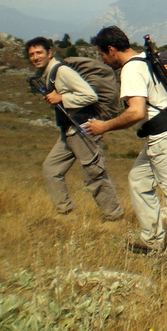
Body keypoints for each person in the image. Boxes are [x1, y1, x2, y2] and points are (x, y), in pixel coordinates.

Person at [85, 26, 167, 264]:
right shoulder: (145, 58)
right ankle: (152, 240)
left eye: (103, 55)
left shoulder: (131, 70)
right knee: (139, 180)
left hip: (164, 137)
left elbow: (136, 112)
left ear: (112, 50)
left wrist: (104, 126)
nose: (103, 60)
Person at [25, 36, 124, 221]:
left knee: (94, 176)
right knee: (51, 169)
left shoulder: (61, 71)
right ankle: (66, 215)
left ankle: (115, 218)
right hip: (69, 131)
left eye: (39, 52)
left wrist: (62, 98)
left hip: (82, 130)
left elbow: (90, 96)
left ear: (49, 53)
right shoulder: (48, 73)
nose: (35, 57)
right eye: (31, 54)